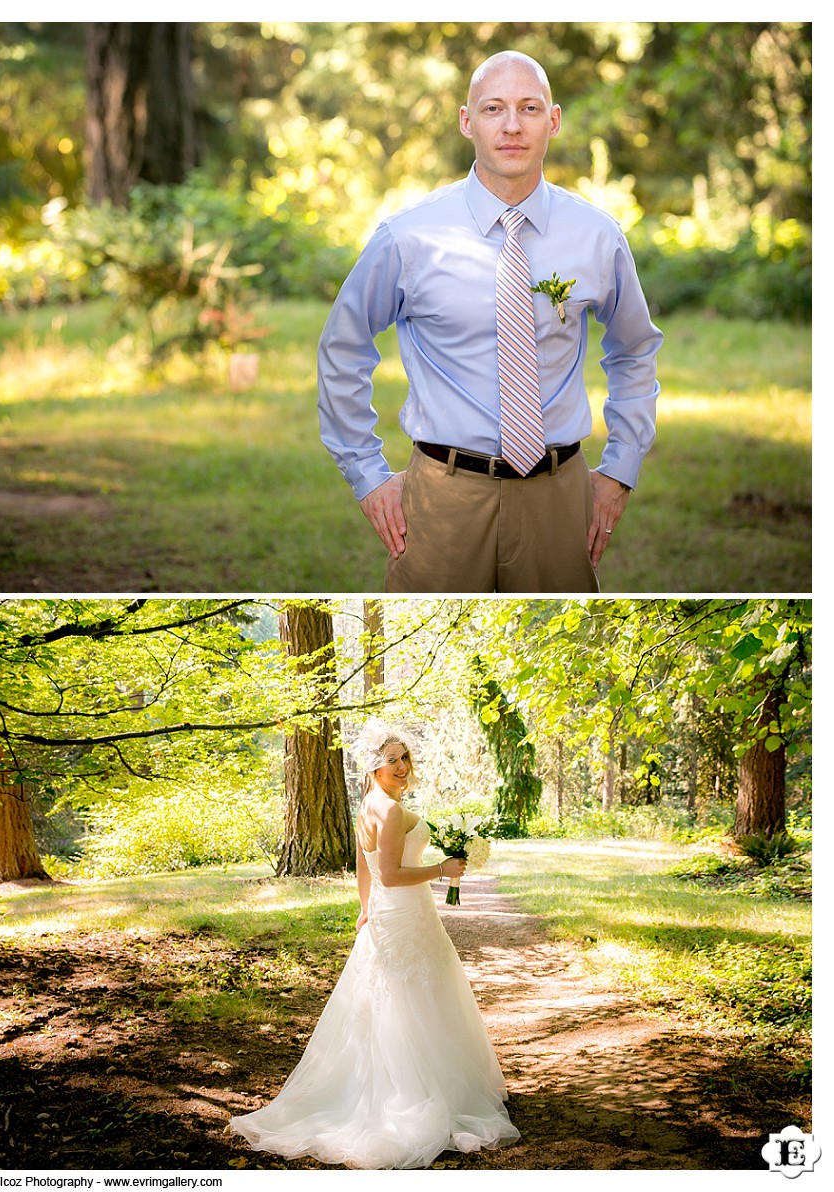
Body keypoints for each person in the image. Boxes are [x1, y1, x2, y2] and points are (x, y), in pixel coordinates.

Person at [318, 50, 662, 592]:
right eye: (493, 108)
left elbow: (635, 350)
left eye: (529, 108)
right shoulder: (409, 236)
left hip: (559, 495)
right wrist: (365, 474)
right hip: (442, 499)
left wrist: (620, 469)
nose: (511, 125)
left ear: (553, 120)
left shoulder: (596, 235)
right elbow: (343, 346)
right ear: (466, 121)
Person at [225, 719, 520, 1169]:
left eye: (404, 757)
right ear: (375, 768)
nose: (401, 766)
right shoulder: (391, 810)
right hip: (404, 914)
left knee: (401, 997)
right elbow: (390, 874)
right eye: (391, 761)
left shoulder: (370, 804)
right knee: (413, 996)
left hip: (391, 915)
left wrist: (364, 909)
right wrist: (443, 871)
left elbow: (366, 870)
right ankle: (417, 1095)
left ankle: (417, 1082)